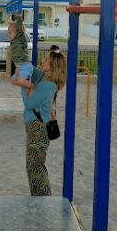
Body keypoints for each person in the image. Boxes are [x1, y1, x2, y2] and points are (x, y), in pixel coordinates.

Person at [21, 49, 67, 196]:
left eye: (46, 59)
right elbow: (29, 70)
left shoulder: (48, 85)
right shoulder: (44, 79)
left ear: (52, 66)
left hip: (38, 128)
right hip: (36, 127)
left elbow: (29, 103)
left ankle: (43, 200)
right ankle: (40, 199)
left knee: (35, 168)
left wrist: (24, 86)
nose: (43, 60)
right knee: (35, 167)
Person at [8, 13, 34, 91]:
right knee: (13, 81)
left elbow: (19, 27)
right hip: (20, 67)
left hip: (25, 66)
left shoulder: (20, 38)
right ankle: (30, 88)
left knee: (20, 81)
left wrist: (17, 15)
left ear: (17, 32)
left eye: (9, 33)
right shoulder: (13, 42)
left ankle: (35, 87)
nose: (8, 35)